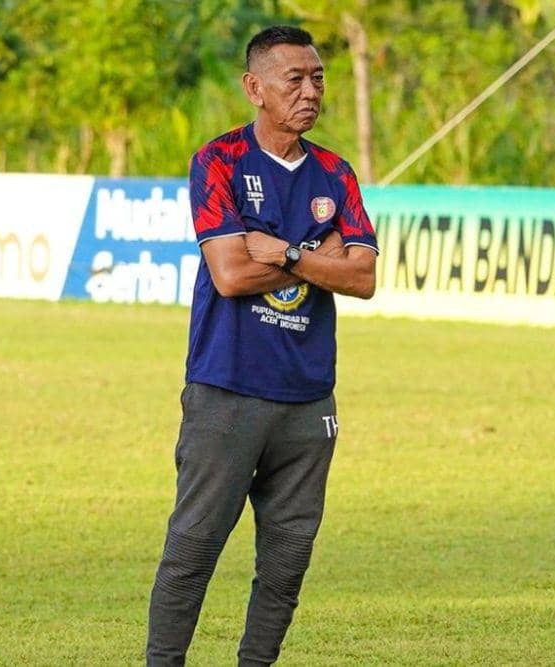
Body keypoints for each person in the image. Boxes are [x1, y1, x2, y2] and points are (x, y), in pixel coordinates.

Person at [146, 25, 378, 666]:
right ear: (255, 88)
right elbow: (229, 274)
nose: (310, 91)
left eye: (319, 78)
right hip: (227, 389)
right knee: (192, 549)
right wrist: (318, 257)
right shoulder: (217, 161)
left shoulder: (336, 171)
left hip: (308, 400)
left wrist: (284, 250)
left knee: (287, 560)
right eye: (294, 79)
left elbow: (362, 276)